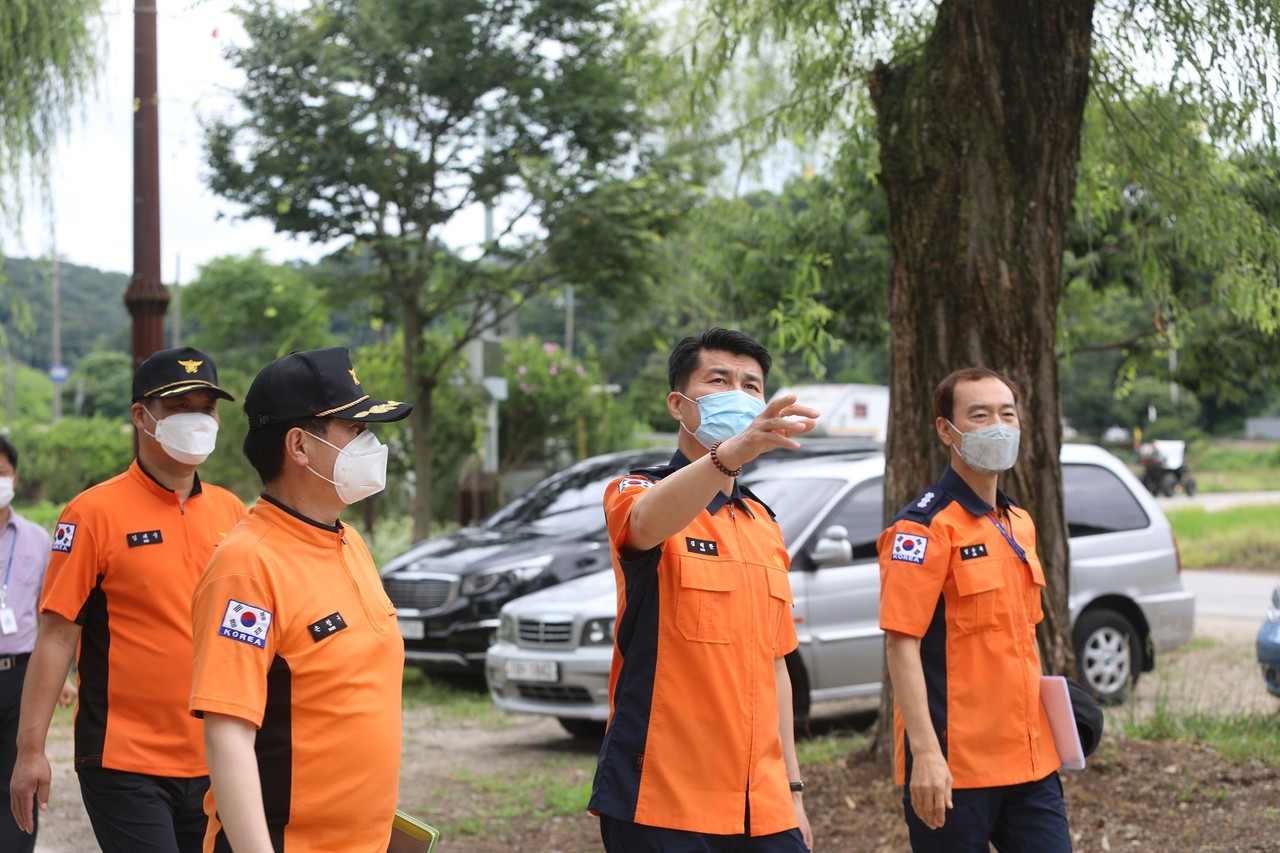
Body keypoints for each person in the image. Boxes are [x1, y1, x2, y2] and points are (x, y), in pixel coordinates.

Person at [588, 327, 819, 852]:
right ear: (679, 403)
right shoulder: (636, 492)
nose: (740, 394)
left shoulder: (763, 522)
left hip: (763, 804)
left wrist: (794, 792)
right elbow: (645, 525)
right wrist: (727, 458)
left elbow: (776, 662)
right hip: (664, 797)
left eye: (752, 385)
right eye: (720, 380)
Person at [10, 346, 245, 852]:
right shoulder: (92, 513)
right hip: (123, 760)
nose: (198, 420)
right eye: (181, 407)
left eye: (206, 408)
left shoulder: (232, 513)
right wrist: (30, 751)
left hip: (218, 760)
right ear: (142, 415)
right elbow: (55, 637)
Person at [188, 347, 411, 852]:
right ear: (300, 445)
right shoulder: (247, 566)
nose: (371, 444)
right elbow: (228, 736)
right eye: (354, 430)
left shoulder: (349, 542)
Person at [877, 366, 1072, 852]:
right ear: (947, 430)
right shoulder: (922, 529)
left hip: (1031, 764)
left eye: (1007, 414)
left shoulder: (1019, 523)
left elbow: (1021, 641)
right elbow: (902, 645)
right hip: (953, 770)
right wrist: (925, 754)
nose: (998, 427)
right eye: (980, 415)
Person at [0, 437, 76, 853]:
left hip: (21, 677)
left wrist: (58, 677)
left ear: (16, 476)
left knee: (19, 778)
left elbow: (50, 619)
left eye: (2, 472)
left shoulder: (36, 539)